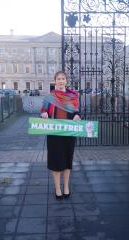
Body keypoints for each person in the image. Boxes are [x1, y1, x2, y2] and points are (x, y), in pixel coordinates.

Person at [41, 71, 81, 200]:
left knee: (67, 159)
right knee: (56, 160)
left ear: (66, 81)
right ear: (55, 81)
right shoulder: (49, 97)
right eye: (59, 79)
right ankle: (58, 188)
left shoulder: (73, 96)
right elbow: (43, 111)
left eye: (63, 79)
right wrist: (44, 114)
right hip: (54, 133)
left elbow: (78, 112)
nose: (61, 81)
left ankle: (66, 187)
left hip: (69, 132)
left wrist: (77, 115)